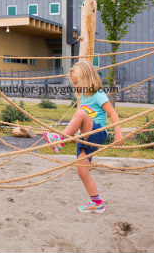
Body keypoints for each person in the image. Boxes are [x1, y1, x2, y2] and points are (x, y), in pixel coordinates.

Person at [43, 60, 123, 214]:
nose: (77, 85)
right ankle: (96, 202)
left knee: (80, 113)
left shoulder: (98, 94)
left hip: (97, 133)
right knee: (82, 171)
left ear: (88, 77)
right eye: (75, 83)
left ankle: (60, 141)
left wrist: (118, 132)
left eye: (79, 81)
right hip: (85, 137)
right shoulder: (84, 97)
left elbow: (113, 113)